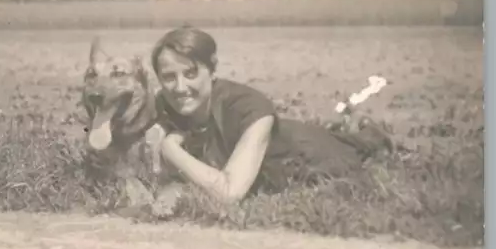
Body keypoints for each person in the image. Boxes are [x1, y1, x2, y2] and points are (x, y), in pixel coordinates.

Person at [150, 26, 368, 205]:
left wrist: (170, 149)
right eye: (169, 77)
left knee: (365, 144)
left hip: (317, 155)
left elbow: (229, 193)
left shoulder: (250, 108)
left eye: (191, 73)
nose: (180, 87)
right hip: (292, 134)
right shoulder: (166, 105)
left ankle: (361, 126)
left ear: (212, 68)